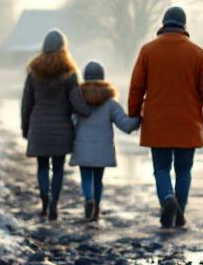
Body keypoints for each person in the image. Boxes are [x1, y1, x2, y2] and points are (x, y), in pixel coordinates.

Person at [128, 7, 203, 229]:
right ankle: (179, 210)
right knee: (183, 171)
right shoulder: (197, 53)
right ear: (184, 25)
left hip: (157, 123)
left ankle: (168, 199)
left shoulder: (148, 51)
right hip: (188, 124)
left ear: (163, 23)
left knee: (161, 169)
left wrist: (133, 114)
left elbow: (136, 87)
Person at [21, 29, 91, 220]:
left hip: (39, 128)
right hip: (61, 128)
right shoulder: (69, 74)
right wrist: (90, 112)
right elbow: (76, 102)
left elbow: (26, 104)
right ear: (63, 48)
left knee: (42, 167)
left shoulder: (33, 73)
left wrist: (25, 127)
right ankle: (54, 204)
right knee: (58, 168)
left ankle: (45, 200)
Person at [69, 61, 140, 222]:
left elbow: (71, 123)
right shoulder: (110, 103)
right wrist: (138, 118)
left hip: (83, 147)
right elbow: (125, 124)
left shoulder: (79, 102)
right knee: (98, 180)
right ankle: (96, 207)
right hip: (102, 150)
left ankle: (89, 200)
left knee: (86, 177)